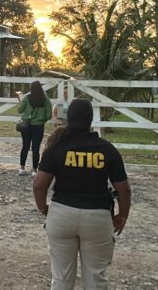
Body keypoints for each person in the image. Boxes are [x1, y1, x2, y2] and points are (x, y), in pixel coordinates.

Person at [33, 98, 131, 290]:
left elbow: (39, 185)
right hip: (97, 218)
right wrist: (123, 215)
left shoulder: (57, 147)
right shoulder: (106, 149)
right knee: (96, 279)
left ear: (69, 118)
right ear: (90, 120)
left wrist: (44, 208)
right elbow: (124, 189)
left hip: (61, 215)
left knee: (61, 278)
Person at [16, 81, 52, 177]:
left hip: (26, 125)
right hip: (39, 126)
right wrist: (42, 119)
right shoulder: (45, 99)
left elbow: (19, 110)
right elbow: (49, 115)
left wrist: (20, 103)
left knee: (25, 146)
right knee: (36, 148)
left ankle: (22, 168)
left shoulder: (27, 97)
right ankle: (35, 170)